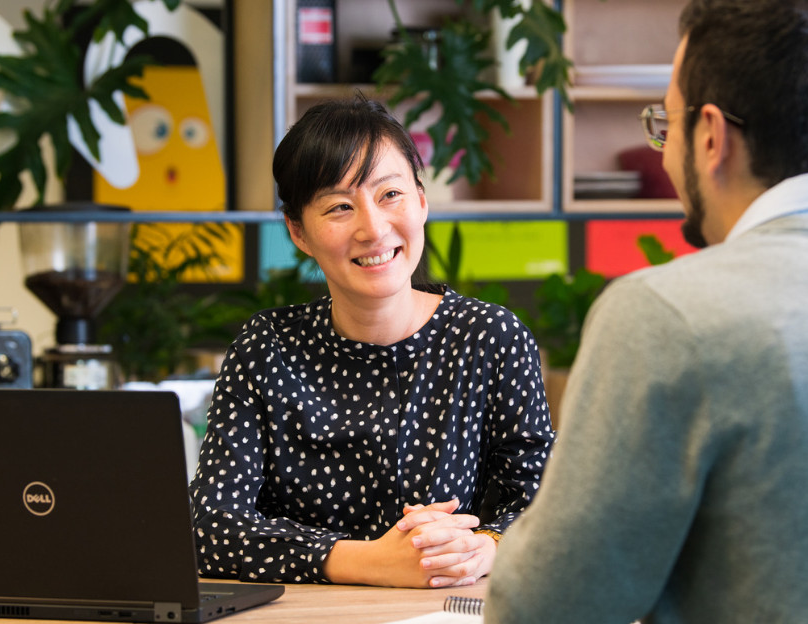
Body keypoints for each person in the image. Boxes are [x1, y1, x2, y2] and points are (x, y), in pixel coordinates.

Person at [486, 0, 808, 622]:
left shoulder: (665, 315)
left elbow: (546, 607)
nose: (666, 155)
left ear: (709, 135)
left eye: (663, 125)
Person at [189, 95, 555, 589]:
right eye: (340, 206)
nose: (373, 228)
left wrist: (483, 547)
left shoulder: (490, 337)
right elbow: (208, 527)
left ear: (421, 201)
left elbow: (544, 505)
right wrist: (373, 561)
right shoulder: (268, 347)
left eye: (390, 195)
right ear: (298, 231)